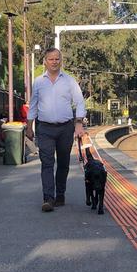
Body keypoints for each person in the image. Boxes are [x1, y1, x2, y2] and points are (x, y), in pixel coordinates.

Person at [26, 48, 86, 212]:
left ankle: (60, 194)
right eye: (51, 59)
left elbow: (80, 102)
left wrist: (79, 122)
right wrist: (29, 126)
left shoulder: (69, 81)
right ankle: (48, 198)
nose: (54, 62)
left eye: (57, 59)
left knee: (63, 163)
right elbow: (33, 105)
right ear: (45, 61)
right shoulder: (38, 81)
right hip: (44, 128)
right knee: (47, 163)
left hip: (65, 128)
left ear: (61, 61)